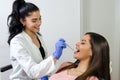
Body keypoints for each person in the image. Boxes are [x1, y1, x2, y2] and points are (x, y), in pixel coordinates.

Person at [7, 0, 66, 80]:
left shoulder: (38, 36)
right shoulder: (17, 42)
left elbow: (43, 61)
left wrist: (45, 74)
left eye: (40, 19)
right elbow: (32, 72)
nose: (39, 23)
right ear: (23, 21)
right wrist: (55, 56)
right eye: (34, 20)